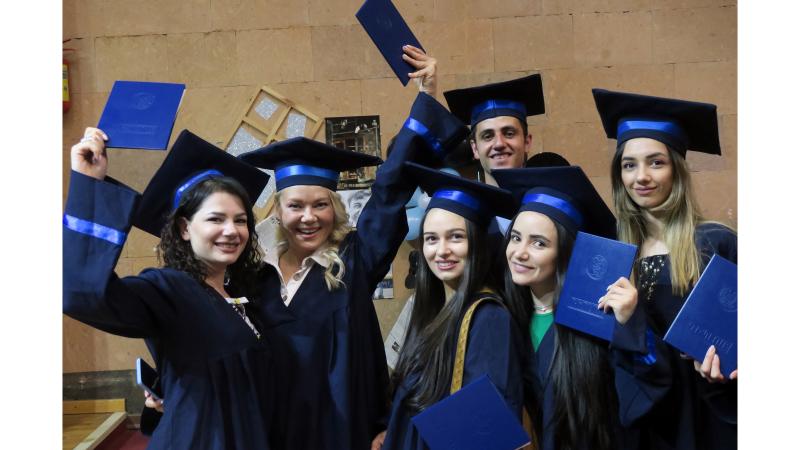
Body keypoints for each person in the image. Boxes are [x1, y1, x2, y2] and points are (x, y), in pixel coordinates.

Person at [237, 91, 469, 450]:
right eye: (296, 206)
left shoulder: (355, 260)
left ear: (335, 209)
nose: (309, 217)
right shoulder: (254, 278)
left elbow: (389, 191)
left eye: (320, 205)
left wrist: (426, 96)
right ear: (279, 212)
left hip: (344, 435)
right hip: (273, 436)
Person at [63, 128, 275, 449]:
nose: (231, 230)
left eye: (240, 220)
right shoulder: (167, 289)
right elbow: (82, 294)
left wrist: (166, 387)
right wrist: (90, 185)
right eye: (216, 219)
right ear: (185, 228)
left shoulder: (244, 293)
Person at [592, 88, 738, 450]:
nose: (641, 177)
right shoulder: (617, 254)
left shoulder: (714, 243)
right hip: (644, 428)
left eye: (656, 162)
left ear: (677, 170)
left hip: (705, 422)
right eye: (629, 165)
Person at [373, 162, 525, 450]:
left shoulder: (488, 317)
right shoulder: (432, 310)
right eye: (431, 239)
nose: (441, 251)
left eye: (456, 237)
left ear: (477, 243)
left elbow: (485, 435)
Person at [494, 165, 643, 450]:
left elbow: (637, 401)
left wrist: (631, 326)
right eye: (515, 237)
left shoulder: (596, 319)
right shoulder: (505, 316)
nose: (520, 253)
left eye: (539, 243)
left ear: (565, 252)